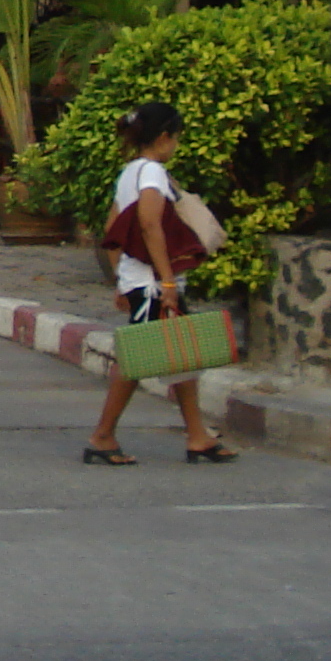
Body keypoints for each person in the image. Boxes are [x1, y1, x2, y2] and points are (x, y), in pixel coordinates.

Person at [86, 100, 234, 466]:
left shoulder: (129, 173)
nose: (178, 144)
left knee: (180, 354)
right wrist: (167, 282)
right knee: (135, 360)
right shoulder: (151, 173)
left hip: (140, 280)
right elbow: (150, 225)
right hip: (154, 283)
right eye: (177, 137)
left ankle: (197, 434)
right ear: (165, 136)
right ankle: (102, 436)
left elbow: (111, 230)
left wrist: (122, 281)